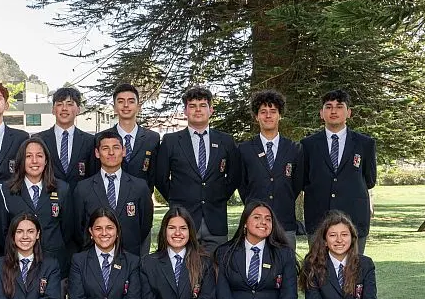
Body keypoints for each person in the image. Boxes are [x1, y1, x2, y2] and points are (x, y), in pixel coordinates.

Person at [154, 86, 241, 254]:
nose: (198, 110)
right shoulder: (171, 141)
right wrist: (176, 198)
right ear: (185, 111)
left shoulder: (226, 141)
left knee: (216, 267)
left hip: (215, 220)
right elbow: (160, 178)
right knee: (182, 267)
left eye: (203, 105)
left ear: (211, 110)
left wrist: (219, 195)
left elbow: (235, 176)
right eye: (192, 106)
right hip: (182, 220)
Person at [301, 89, 377, 254]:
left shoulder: (365, 144)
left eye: (339, 106)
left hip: (354, 220)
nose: (333, 111)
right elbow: (303, 180)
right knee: (318, 267)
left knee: (353, 268)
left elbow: (370, 180)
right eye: (328, 107)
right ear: (321, 113)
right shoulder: (307, 145)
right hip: (318, 220)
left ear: (348, 112)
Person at [0, 137, 75, 276]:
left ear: (46, 160)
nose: (34, 161)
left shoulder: (62, 189)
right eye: (28, 156)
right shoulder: (6, 190)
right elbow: (1, 232)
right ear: (21, 160)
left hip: (54, 266)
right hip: (17, 267)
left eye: (39, 156)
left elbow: (67, 230)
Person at [237, 90, 304, 252]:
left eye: (273, 111)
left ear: (280, 115)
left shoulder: (294, 149)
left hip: (285, 222)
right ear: (256, 116)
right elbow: (242, 185)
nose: (268, 116)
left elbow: (296, 184)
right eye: (263, 112)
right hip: (255, 224)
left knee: (287, 266)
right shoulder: (244, 149)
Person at [99, 82, 160, 252]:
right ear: (114, 107)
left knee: (139, 261)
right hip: (107, 212)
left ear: (138, 106)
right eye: (121, 101)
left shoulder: (152, 138)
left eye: (131, 101)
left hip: (140, 212)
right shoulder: (101, 138)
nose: (126, 105)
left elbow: (155, 176)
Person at [73, 131, 153, 256]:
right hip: (94, 256)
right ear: (97, 153)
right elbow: (78, 228)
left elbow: (145, 225)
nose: (111, 152)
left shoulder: (140, 187)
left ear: (124, 151)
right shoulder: (83, 188)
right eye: (105, 148)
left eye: (116, 147)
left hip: (130, 256)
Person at [37, 86, 95, 192]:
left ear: (78, 110)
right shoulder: (39, 140)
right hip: (48, 197)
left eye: (69, 104)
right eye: (59, 104)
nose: (64, 108)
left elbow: (93, 175)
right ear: (53, 110)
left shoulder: (90, 141)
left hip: (80, 198)